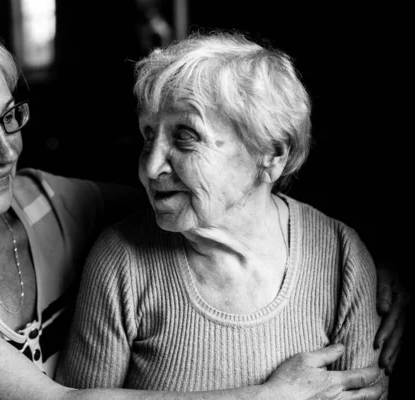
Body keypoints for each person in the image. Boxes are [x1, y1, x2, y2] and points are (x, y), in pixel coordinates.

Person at [0, 15, 403, 400]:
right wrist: (270, 397)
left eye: (8, 117)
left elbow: (222, 207)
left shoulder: (49, 202)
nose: (6, 149)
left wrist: (360, 261)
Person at [54, 31, 397, 398]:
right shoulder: (122, 261)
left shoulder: (341, 256)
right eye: (148, 134)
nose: (151, 167)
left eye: (185, 136)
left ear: (272, 153)